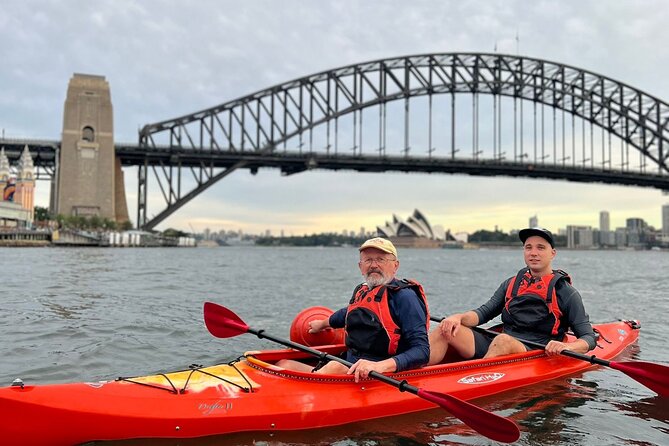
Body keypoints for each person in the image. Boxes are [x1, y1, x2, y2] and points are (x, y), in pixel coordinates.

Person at [428, 227, 596, 365]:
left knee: (503, 341)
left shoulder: (566, 292)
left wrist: (567, 347)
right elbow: (482, 314)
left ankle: (475, 380)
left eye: (540, 247)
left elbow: (588, 338)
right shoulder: (511, 284)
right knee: (445, 329)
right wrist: (457, 317)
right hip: (497, 343)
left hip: (534, 351)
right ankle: (410, 372)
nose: (533, 253)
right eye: (528, 247)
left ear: (553, 253)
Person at [277, 237, 430, 382]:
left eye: (380, 259)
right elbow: (348, 313)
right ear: (360, 266)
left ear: (395, 265)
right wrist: (322, 324)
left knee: (334, 367)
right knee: (285, 364)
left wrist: (379, 366)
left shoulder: (405, 297)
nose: (374, 265)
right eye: (368, 260)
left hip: (378, 373)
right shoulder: (364, 291)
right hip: (349, 363)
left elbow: (422, 351)